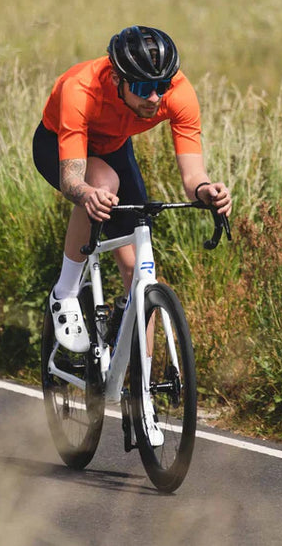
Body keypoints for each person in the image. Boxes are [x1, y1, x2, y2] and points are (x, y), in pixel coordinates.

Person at [32, 25, 232, 352]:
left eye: (161, 86)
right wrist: (87, 195)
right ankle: (65, 293)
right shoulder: (80, 89)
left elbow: (193, 176)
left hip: (114, 147)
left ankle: (141, 376)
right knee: (103, 183)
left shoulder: (178, 93)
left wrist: (206, 191)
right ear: (116, 79)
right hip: (58, 145)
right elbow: (72, 180)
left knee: (139, 272)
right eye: (142, 87)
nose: (154, 98)